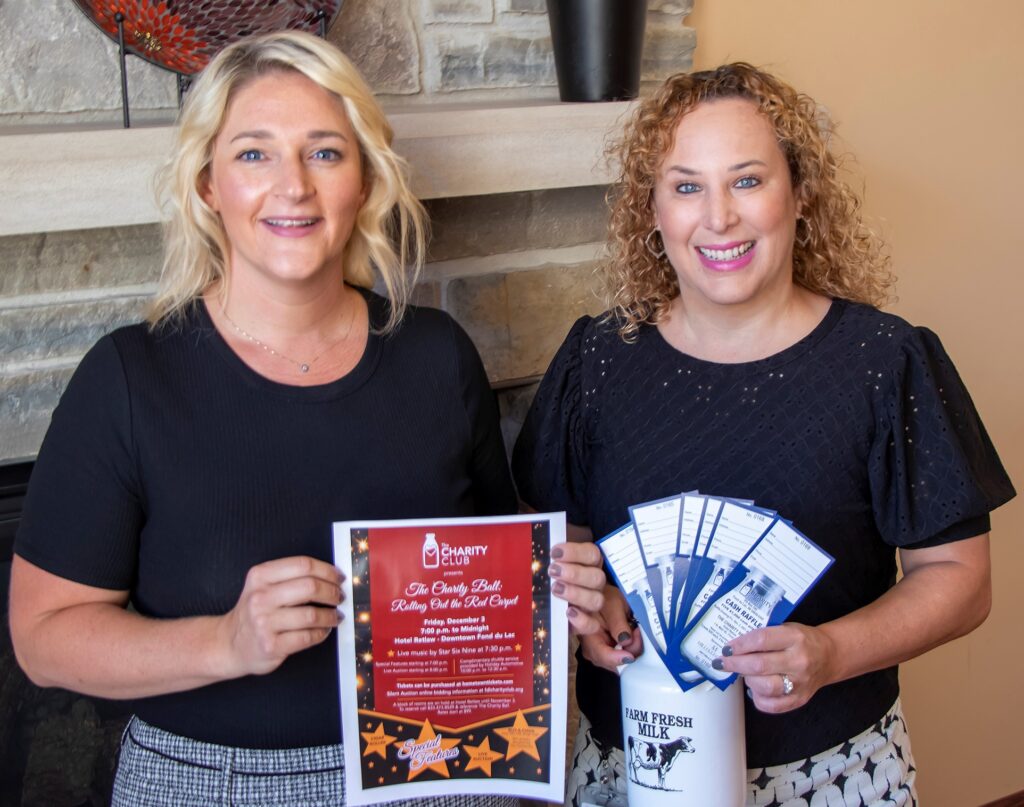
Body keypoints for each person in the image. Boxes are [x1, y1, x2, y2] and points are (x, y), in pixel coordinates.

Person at [9, 31, 601, 807]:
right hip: (212, 782)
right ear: (208, 185)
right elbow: (43, 636)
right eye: (254, 154)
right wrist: (224, 641)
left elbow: (490, 555)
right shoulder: (130, 376)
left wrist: (568, 571)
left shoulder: (437, 357)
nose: (293, 186)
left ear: (363, 181)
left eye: (325, 152)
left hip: (445, 768)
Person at [512, 63, 1015, 807]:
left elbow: (962, 580)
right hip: (632, 768)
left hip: (830, 773)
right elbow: (559, 549)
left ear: (800, 193)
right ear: (651, 210)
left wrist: (832, 649)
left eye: (747, 180)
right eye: (686, 186)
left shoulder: (884, 361)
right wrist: (591, 609)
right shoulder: (596, 359)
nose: (718, 217)